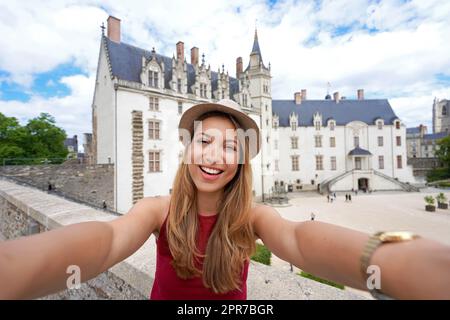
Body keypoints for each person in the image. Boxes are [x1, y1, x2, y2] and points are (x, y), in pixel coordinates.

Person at [0, 99, 450, 300]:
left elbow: (299, 240)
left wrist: (388, 262)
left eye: (230, 146)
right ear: (188, 148)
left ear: (241, 162)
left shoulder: (253, 216)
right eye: (204, 141)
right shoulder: (158, 210)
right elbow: (106, 241)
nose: (214, 156)